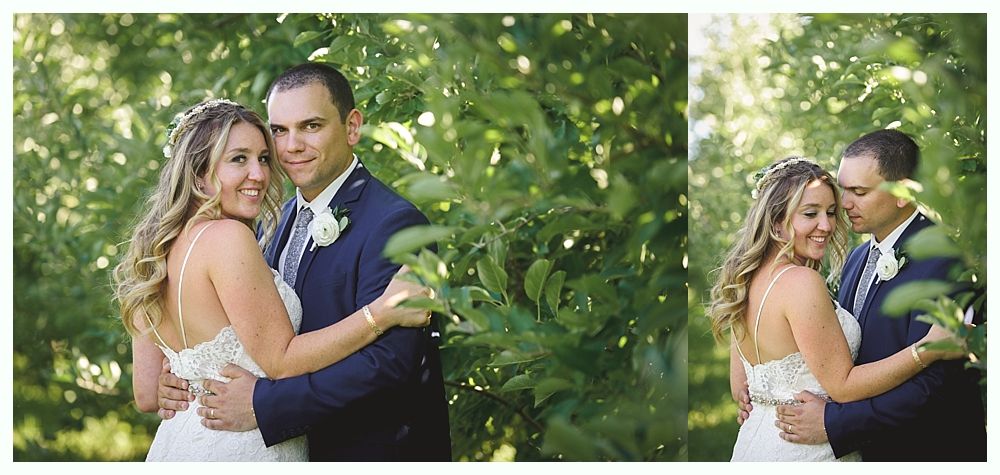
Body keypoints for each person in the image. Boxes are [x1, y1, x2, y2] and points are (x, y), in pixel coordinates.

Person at [155, 63, 452, 461]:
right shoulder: (269, 221)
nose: (291, 146)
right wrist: (181, 378)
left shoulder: (396, 224)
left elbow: (388, 366)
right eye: (279, 130)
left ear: (351, 127)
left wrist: (266, 403)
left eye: (310, 126)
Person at [708, 156, 964, 461]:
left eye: (830, 212)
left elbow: (742, 388)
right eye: (810, 214)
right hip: (806, 452)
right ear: (776, 221)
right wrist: (927, 349)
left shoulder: (745, 282)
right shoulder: (801, 282)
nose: (827, 225)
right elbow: (842, 386)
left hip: (756, 443)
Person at [769, 130, 986, 461]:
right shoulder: (858, 257)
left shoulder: (946, 259)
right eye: (844, 189)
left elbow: (932, 387)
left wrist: (834, 423)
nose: (843, 203)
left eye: (858, 191)